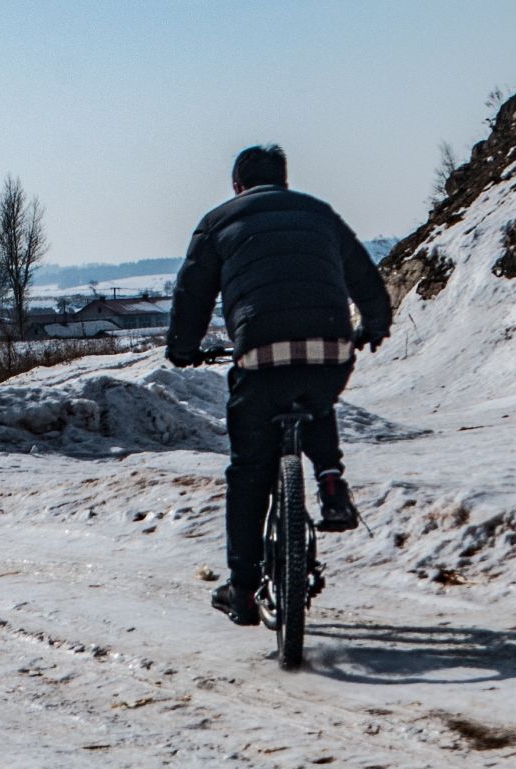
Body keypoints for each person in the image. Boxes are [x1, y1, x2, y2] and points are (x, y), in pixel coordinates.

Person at [165, 145, 392, 626]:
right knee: (316, 396)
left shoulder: (218, 222)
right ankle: (330, 479)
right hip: (330, 349)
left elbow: (193, 293)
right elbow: (364, 276)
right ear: (285, 181)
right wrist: (374, 324)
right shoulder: (320, 214)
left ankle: (244, 592)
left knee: (250, 472)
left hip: (261, 356)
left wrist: (183, 347)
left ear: (237, 186)